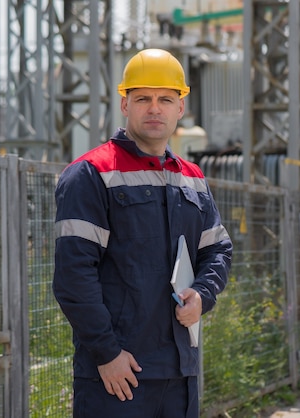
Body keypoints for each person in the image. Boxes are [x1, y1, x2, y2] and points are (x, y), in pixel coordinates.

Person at [52, 48, 233, 418]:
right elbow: (74, 275)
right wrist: (107, 353)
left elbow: (218, 250)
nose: (155, 108)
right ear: (125, 104)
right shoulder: (91, 174)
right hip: (118, 375)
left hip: (180, 372)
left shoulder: (193, 179)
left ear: (180, 108)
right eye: (143, 98)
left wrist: (202, 295)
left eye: (166, 99)